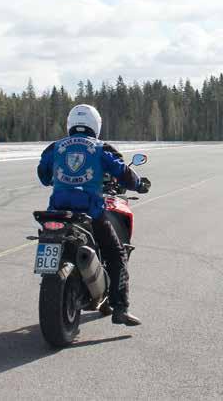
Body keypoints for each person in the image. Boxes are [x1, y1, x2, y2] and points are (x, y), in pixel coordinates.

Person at [37, 104, 150, 326]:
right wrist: (139, 184)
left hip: (57, 212)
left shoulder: (55, 147)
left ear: (70, 124)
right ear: (96, 124)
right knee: (117, 254)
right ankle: (120, 309)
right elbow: (123, 172)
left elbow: (43, 175)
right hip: (90, 211)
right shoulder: (100, 148)